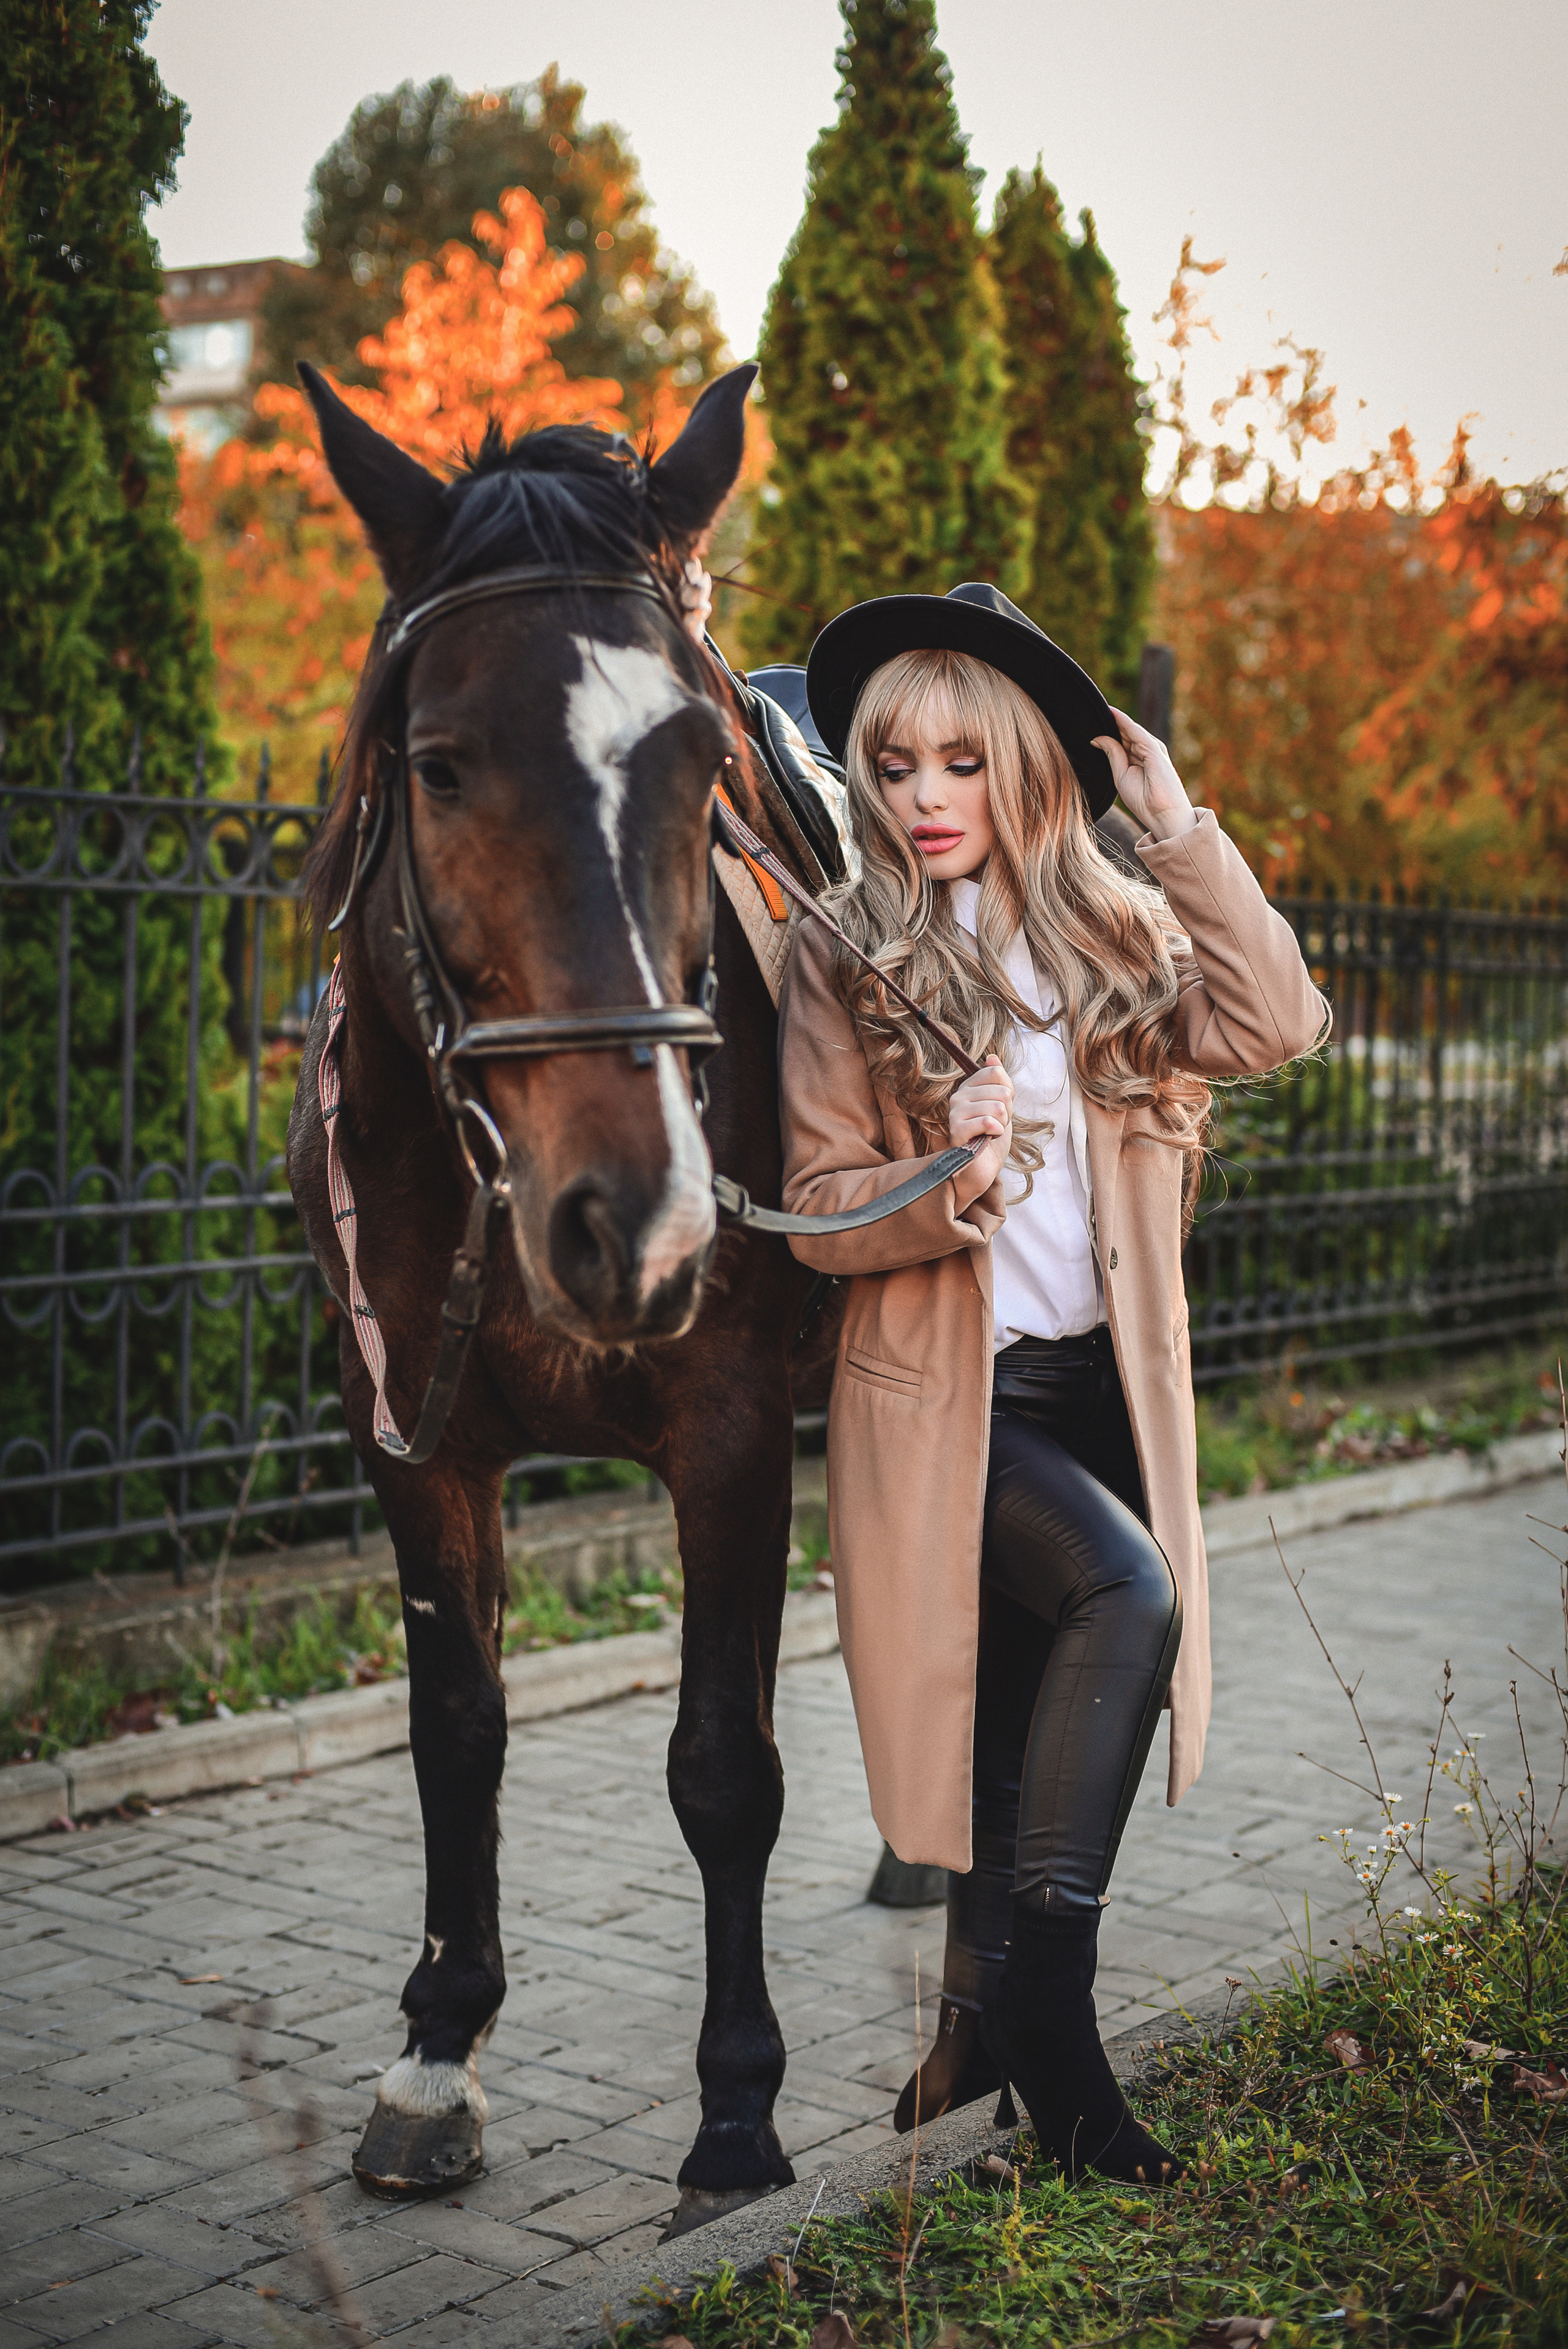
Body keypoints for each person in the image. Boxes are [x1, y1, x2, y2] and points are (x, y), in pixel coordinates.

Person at [772, 581, 1329, 2185]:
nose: (922, 800)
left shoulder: (1117, 936)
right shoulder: (848, 952)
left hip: (1107, 1393)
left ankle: (987, 2027)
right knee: (1126, 1598)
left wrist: (1178, 828)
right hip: (958, 1407)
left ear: (1021, 765)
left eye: (956, 762)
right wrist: (939, 1181)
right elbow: (814, 1211)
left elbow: (1283, 1018)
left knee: (1021, 1739)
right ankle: (1064, 2043)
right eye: (890, 769)